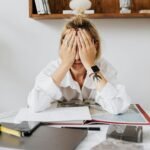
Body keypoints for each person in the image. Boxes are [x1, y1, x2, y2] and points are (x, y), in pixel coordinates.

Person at [27, 15, 131, 114]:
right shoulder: (53, 69)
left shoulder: (103, 68)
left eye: (82, 48)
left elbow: (118, 107)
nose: (76, 57)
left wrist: (90, 65)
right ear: (63, 47)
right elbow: (35, 105)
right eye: (71, 48)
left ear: (95, 46)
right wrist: (65, 64)